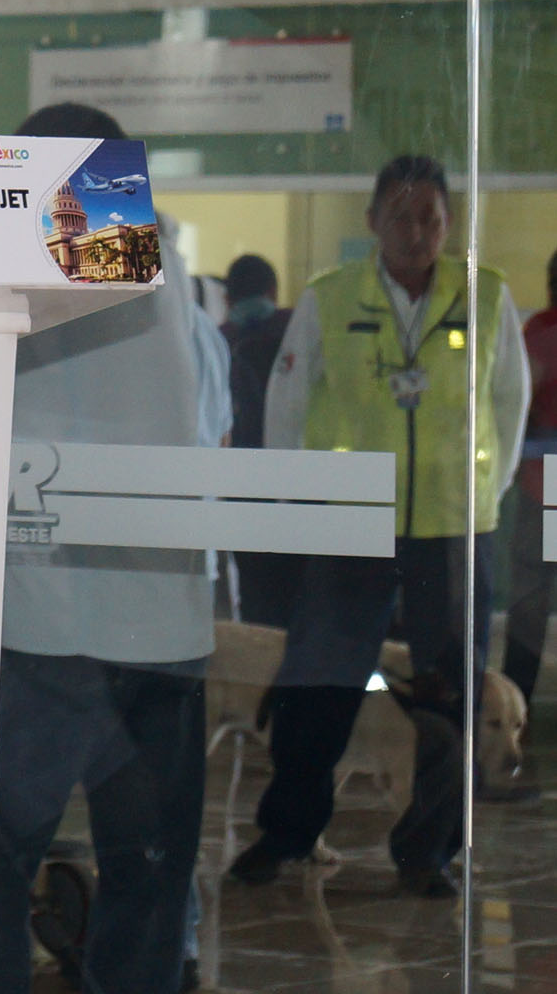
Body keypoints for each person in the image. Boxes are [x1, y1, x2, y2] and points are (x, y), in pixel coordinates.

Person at [227, 155, 530, 897]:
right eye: (400, 217)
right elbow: (288, 408)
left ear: (448, 224)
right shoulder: (330, 298)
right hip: (349, 524)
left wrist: (476, 493)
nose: (416, 233)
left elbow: (508, 405)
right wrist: (298, 504)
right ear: (371, 223)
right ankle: (287, 834)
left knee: (448, 695)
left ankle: (428, 851)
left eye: (430, 218)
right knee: (317, 683)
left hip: (451, 529)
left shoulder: (484, 297)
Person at [0, 102, 212, 994]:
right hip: (142, 628)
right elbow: (206, 417)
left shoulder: (86, 244)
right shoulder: (160, 259)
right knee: (146, 879)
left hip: (44, 628)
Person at [221, 253, 299, 625]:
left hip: (240, 486)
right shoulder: (296, 330)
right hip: (295, 485)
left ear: (227, 298)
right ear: (273, 290)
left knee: (255, 597)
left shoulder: (221, 339)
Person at [502, 248, 557, 710]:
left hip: (545, 488)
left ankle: (514, 701)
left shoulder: (541, 333)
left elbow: (519, 408)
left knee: (531, 607)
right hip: (546, 484)